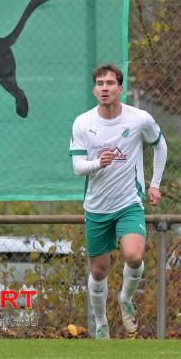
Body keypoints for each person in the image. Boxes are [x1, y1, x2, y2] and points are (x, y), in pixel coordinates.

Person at [69, 63, 167, 339]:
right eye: (100, 83)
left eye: (110, 83)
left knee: (134, 255)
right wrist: (98, 163)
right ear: (94, 89)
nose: (104, 88)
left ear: (120, 89)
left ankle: (126, 298)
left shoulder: (139, 119)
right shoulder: (83, 122)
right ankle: (100, 322)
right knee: (99, 271)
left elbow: (160, 145)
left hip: (129, 203)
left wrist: (155, 184)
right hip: (97, 208)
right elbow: (77, 167)